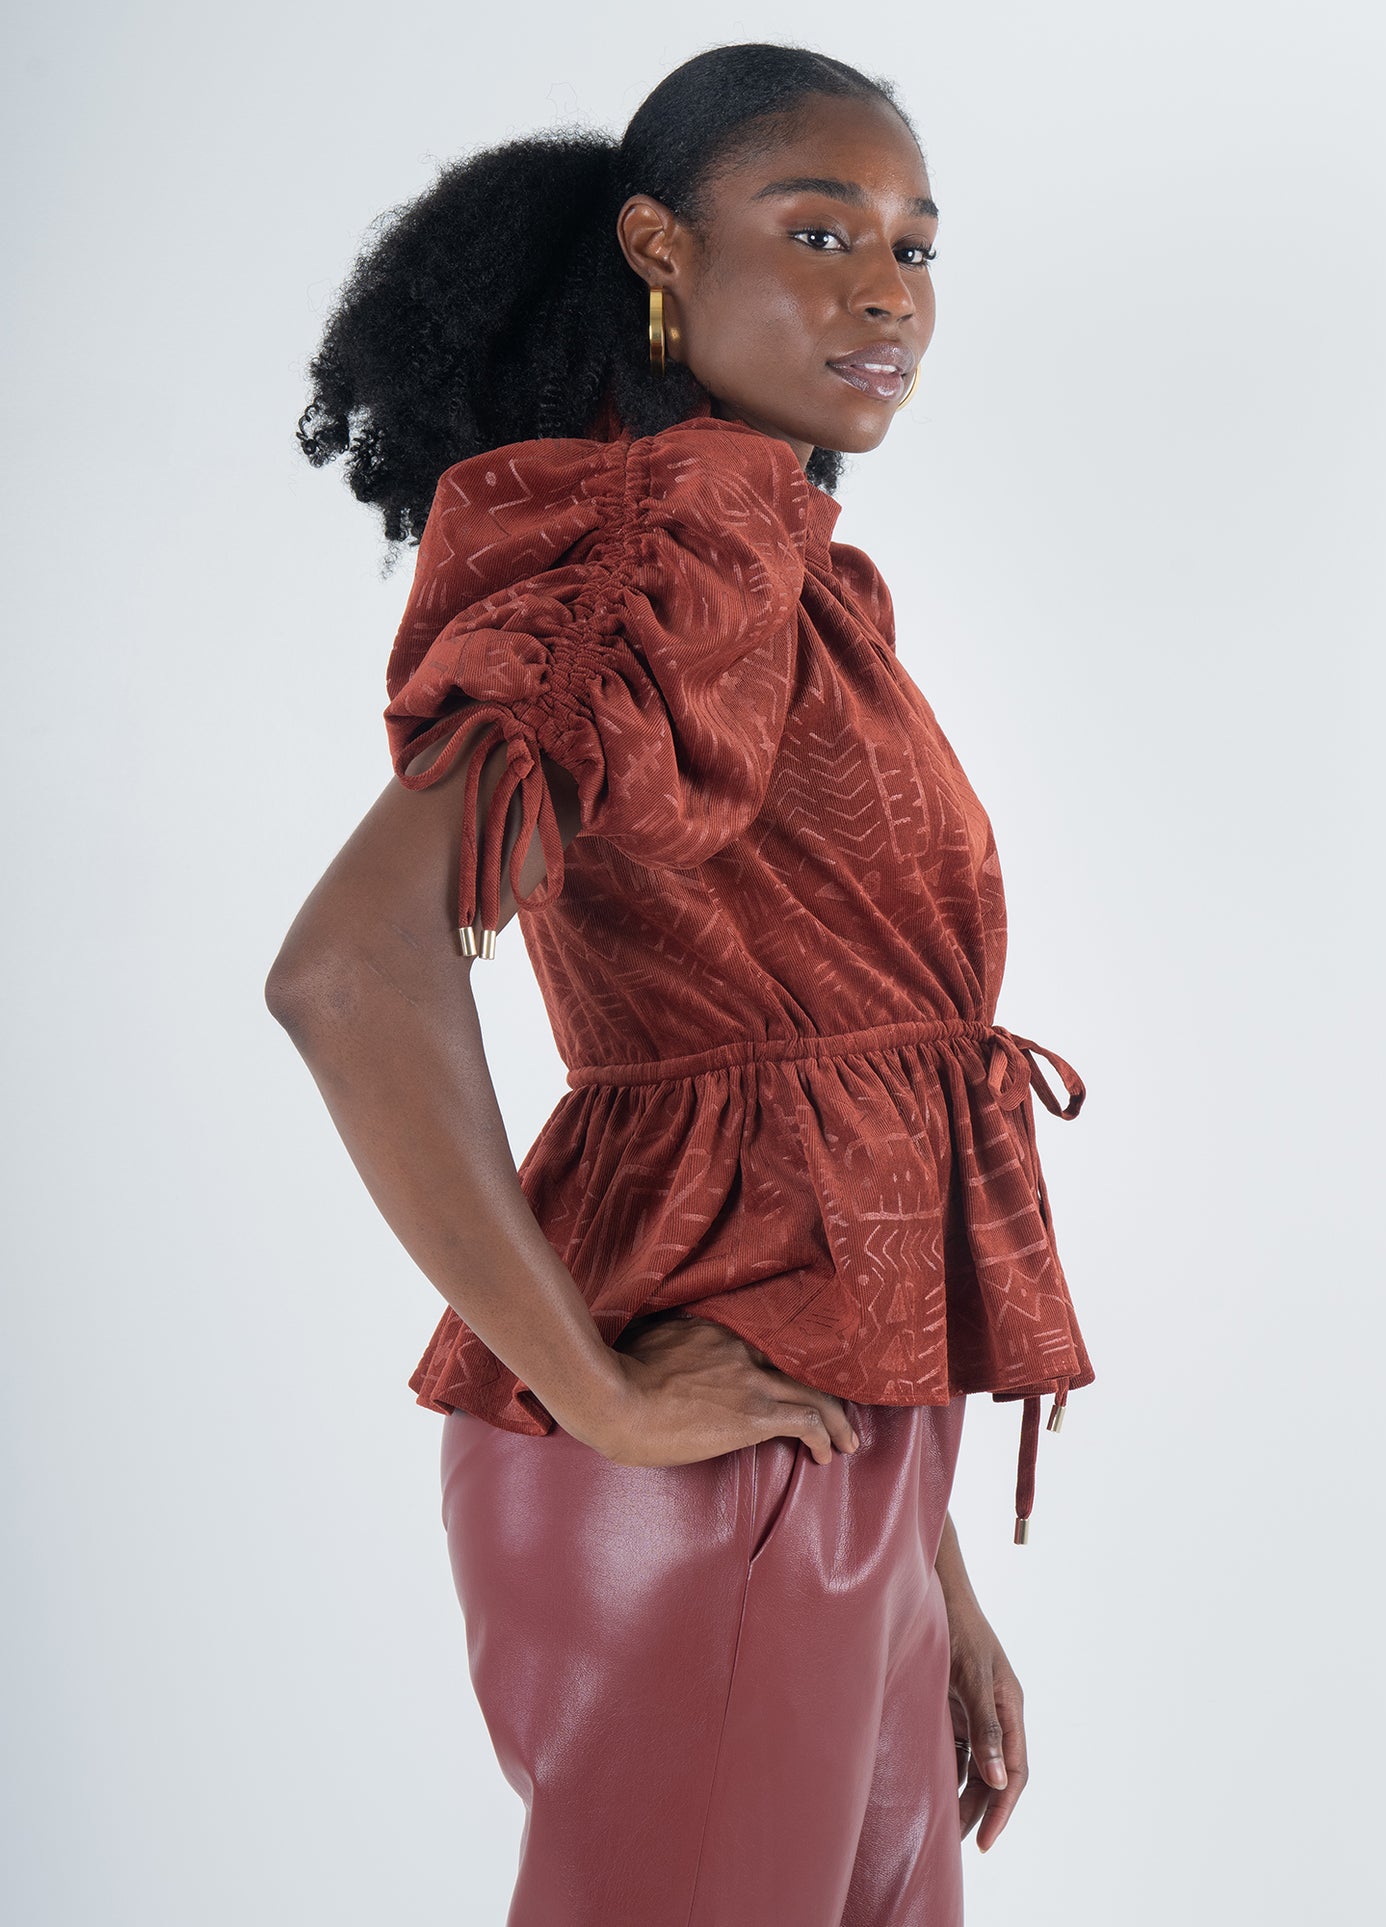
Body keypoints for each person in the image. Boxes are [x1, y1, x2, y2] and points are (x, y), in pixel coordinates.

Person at [266, 41, 1095, 1927]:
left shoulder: (784, 569)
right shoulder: (661, 550)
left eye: (914, 247)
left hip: (838, 1486)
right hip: (698, 1492)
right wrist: (606, 1400)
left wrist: (926, 1578)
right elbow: (349, 970)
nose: (884, 291)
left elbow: (824, 1124)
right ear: (657, 245)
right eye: (818, 232)